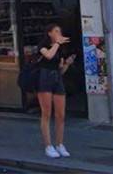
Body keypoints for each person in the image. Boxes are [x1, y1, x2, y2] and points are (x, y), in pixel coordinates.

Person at [37, 23, 76, 159]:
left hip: (56, 79)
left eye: (60, 31)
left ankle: (60, 143)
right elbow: (48, 55)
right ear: (49, 33)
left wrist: (67, 64)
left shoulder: (60, 49)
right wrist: (57, 44)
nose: (59, 33)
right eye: (56, 31)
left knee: (60, 114)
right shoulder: (42, 46)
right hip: (44, 78)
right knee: (46, 113)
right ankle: (48, 145)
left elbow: (61, 70)